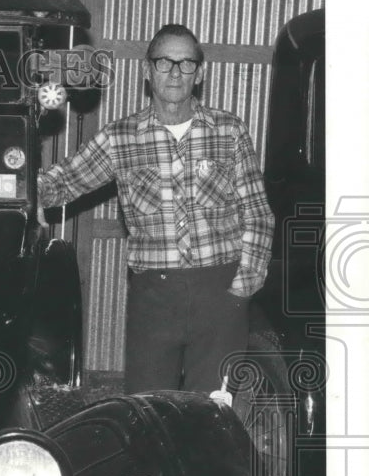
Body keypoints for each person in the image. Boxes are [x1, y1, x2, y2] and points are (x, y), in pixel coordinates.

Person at [37, 24, 274, 396]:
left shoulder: (229, 131)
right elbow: (64, 180)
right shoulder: (120, 137)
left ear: (200, 73)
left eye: (186, 63)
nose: (175, 73)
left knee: (214, 410)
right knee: (147, 407)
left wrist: (242, 288)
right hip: (153, 297)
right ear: (147, 71)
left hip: (220, 293)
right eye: (164, 62)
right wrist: (26, 191)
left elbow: (258, 214)